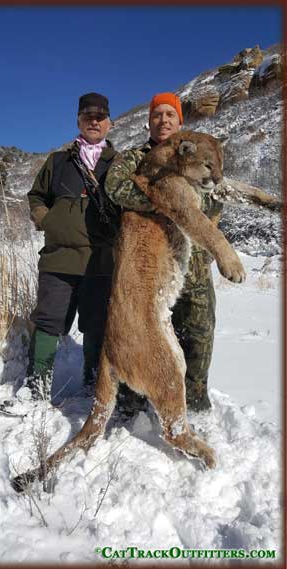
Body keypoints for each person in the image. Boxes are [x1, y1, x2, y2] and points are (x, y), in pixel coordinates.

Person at [105, 92, 223, 411]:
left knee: (198, 333)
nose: (164, 120)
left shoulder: (199, 155)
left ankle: (194, 401)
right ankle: (135, 403)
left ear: (180, 122)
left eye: (171, 115)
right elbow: (115, 188)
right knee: (142, 331)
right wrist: (167, 204)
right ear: (149, 121)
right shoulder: (134, 157)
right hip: (151, 263)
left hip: (194, 264)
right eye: (158, 115)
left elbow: (214, 199)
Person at [25, 92, 120, 401]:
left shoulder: (119, 164)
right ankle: (36, 389)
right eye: (87, 116)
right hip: (58, 259)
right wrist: (45, 219)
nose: (94, 121)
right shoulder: (58, 161)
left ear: (110, 123)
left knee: (97, 325)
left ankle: (93, 385)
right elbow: (37, 196)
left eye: (100, 117)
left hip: (101, 260)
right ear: (78, 121)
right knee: (48, 321)